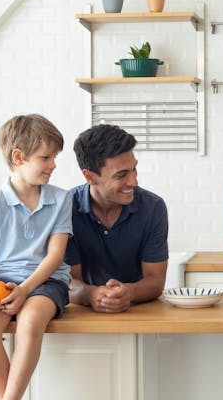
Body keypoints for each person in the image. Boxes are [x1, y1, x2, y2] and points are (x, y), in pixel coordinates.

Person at [0, 114, 73, 400]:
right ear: (19, 156)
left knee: (30, 323)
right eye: (46, 157)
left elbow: (55, 256)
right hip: (3, 282)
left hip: (46, 282)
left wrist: (26, 289)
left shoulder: (62, 199)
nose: (53, 165)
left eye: (54, 157)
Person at [65, 124, 168, 313]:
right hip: (83, 316)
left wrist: (127, 292)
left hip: (137, 312)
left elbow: (155, 280)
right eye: (122, 175)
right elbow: (66, 281)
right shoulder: (65, 209)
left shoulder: (153, 208)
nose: (134, 182)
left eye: (134, 169)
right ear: (90, 177)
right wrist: (90, 294)